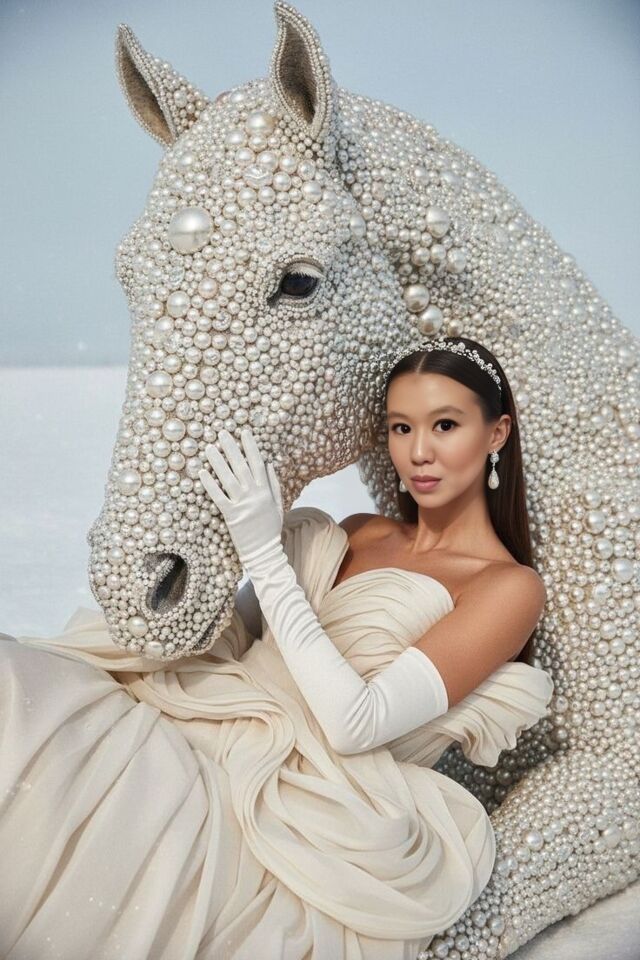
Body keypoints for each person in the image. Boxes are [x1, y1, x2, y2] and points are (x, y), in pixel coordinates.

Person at [0, 336, 553, 960]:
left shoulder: (507, 588)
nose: (418, 451)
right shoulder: (360, 531)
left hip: (299, 810)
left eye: (445, 425)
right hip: (205, 720)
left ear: (497, 432)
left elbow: (357, 724)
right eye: (401, 427)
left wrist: (264, 551)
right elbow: (244, 636)